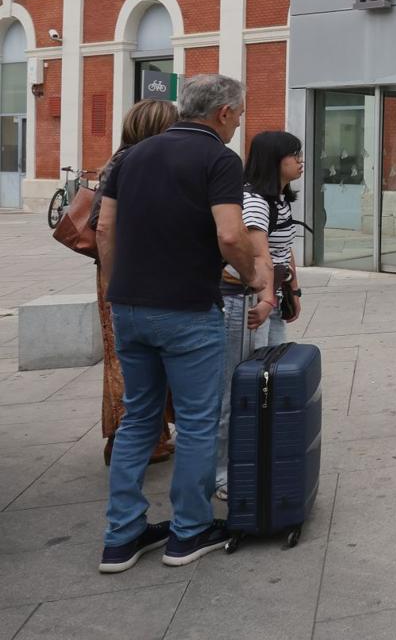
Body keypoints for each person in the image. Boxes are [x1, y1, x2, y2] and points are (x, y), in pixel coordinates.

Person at [95, 74, 270, 573]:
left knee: (139, 419)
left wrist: (115, 286)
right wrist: (254, 274)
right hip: (188, 309)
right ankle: (188, 531)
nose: (238, 124)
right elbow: (231, 233)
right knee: (194, 422)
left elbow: (105, 226)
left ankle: (121, 536)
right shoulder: (218, 158)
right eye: (238, 114)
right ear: (222, 114)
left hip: (128, 305)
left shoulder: (130, 157)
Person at [215, 130, 305, 500]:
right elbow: (257, 257)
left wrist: (293, 291)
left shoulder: (280, 200)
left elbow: (283, 253)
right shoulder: (254, 201)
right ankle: (223, 472)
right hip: (246, 302)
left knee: (269, 378)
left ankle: (257, 456)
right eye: (294, 155)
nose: (300, 161)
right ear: (275, 160)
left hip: (271, 298)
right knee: (237, 387)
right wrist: (266, 299)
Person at [93, 100, 180, 467]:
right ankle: (127, 438)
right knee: (127, 360)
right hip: (125, 272)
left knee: (138, 358)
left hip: (122, 272)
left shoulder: (123, 159)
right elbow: (104, 225)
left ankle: (152, 436)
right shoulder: (131, 164)